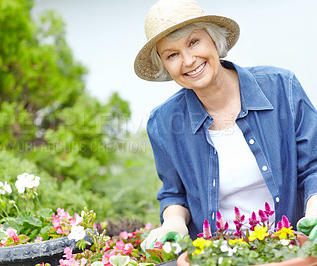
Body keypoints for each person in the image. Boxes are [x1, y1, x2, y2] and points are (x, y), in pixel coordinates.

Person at [134, 0, 317, 252]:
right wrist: (173, 224)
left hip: (290, 248)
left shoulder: (282, 88)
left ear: (214, 39)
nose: (188, 60)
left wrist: (314, 215)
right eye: (172, 55)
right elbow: (174, 194)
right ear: (164, 65)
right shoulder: (163, 122)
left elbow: (313, 168)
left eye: (193, 42)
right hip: (217, 255)